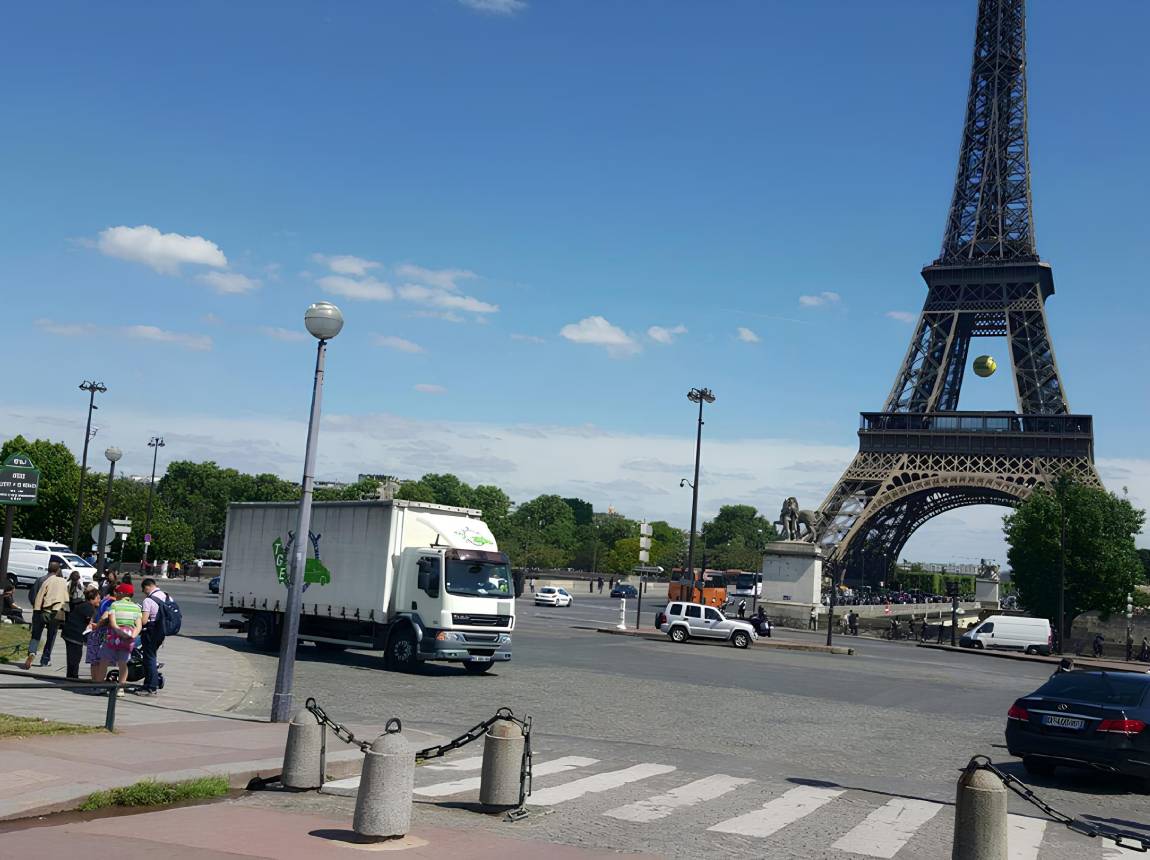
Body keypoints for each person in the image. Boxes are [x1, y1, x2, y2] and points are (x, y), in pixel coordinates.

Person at [96, 584, 143, 697]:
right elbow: (139, 625)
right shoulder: (136, 607)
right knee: (123, 664)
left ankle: (100, 687)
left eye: (118, 592)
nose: (116, 594)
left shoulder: (115, 605)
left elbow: (113, 623)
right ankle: (121, 689)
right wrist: (132, 636)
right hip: (128, 639)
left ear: (123, 593)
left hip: (113, 638)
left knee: (104, 661)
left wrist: (119, 631)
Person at [23, 562, 68, 669]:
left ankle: (32, 652)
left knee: (36, 635)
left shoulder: (40, 580)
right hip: (54, 612)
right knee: (51, 636)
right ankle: (45, 659)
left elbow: (32, 595)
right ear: (57, 570)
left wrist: (36, 606)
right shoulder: (60, 582)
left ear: (48, 569)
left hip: (39, 611)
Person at [137, 578, 168, 695]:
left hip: (151, 631)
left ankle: (151, 686)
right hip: (162, 631)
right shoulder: (166, 596)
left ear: (147, 587)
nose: (144, 592)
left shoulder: (148, 600)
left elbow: (144, 620)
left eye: (143, 589)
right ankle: (150, 683)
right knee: (152, 656)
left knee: (149, 658)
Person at [63, 586, 100, 680]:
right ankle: (72, 677)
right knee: (74, 656)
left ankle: (71, 676)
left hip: (71, 633)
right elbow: (89, 622)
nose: (99, 600)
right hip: (73, 634)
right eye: (98, 598)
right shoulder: (88, 607)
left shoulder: (86, 605)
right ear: (93, 598)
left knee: (73, 656)